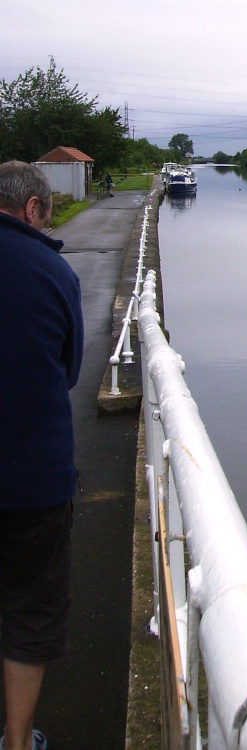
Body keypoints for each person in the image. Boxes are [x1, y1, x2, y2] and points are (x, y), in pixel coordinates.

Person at [0, 162, 84, 750]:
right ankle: (16, 738)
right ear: (32, 208)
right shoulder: (52, 272)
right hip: (33, 480)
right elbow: (71, 369)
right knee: (28, 615)